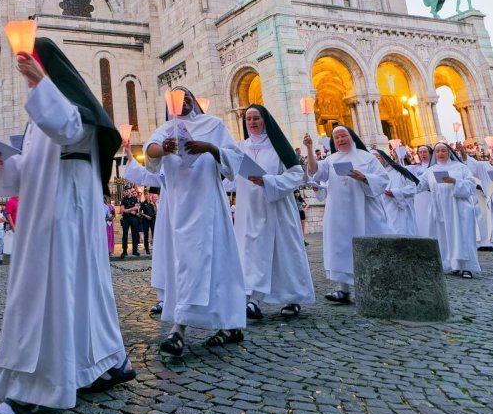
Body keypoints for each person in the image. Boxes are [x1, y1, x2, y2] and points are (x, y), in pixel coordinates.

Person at [0, 39, 133, 414]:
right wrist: (6, 160)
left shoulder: (74, 108)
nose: (27, 76)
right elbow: (29, 172)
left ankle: (30, 391)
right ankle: (103, 363)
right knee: (76, 293)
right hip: (43, 215)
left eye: (34, 67)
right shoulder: (36, 120)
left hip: (65, 217)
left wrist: (40, 82)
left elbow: (69, 130)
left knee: (48, 295)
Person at [144, 87, 245, 357]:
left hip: (209, 205)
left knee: (216, 266)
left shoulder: (214, 124)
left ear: (193, 99)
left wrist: (210, 148)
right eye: (177, 99)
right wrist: (163, 149)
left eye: (187, 96)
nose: (184, 101)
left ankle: (181, 330)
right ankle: (204, 324)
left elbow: (234, 158)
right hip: (180, 210)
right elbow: (149, 150)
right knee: (185, 265)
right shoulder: (167, 128)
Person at [235, 104, 315, 320]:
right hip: (251, 211)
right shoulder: (241, 147)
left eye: (256, 118)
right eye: (248, 119)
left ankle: (293, 298)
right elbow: (232, 177)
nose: (252, 122)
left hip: (277, 209)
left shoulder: (278, 146)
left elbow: (296, 174)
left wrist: (268, 181)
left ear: (265, 121)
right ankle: (253, 301)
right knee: (251, 254)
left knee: (284, 253)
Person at [303, 125, 391, 304]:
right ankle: (342, 290)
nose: (341, 140)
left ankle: (370, 288)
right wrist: (310, 148)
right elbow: (314, 170)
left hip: (363, 210)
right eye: (337, 138)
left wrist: (364, 178)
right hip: (338, 212)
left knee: (365, 246)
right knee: (340, 247)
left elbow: (383, 179)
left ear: (352, 137)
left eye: (344, 136)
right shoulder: (331, 159)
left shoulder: (367, 158)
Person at [415, 142, 480, 277]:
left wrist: (455, 181)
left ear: (449, 152)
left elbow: (471, 185)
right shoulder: (431, 170)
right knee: (444, 236)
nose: (440, 154)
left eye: (443, 151)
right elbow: (419, 185)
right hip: (440, 209)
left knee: (461, 236)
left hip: (459, 208)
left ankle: (466, 266)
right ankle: (450, 264)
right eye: (437, 151)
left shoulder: (460, 167)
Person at [122, 148, 166, 314]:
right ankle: (163, 298)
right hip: (167, 215)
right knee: (163, 254)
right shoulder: (165, 167)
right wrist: (131, 157)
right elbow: (147, 175)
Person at [372, 149, 420, 236]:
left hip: (399, 211)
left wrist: (395, 192)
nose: (376, 161)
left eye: (378, 158)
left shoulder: (399, 172)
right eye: (373, 159)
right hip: (381, 213)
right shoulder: (370, 176)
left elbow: (413, 188)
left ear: (384, 158)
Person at [409, 145, 435, 239]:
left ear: (430, 153)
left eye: (425, 152)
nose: (422, 154)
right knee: (421, 218)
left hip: (432, 197)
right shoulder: (415, 168)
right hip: (420, 198)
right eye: (420, 152)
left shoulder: (436, 167)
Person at [120, 185, 141, 258]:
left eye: (128, 190)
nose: (127, 191)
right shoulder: (123, 199)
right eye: (126, 190)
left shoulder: (135, 198)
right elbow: (122, 210)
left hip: (134, 219)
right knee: (125, 235)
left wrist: (128, 210)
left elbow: (137, 207)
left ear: (130, 191)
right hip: (126, 218)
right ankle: (124, 251)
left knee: (134, 234)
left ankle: (135, 251)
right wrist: (131, 211)